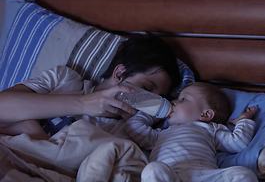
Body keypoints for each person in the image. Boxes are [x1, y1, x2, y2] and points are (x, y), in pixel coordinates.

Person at [125, 82, 259, 182]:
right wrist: (152, 111)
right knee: (153, 169)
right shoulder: (160, 134)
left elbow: (238, 142)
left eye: (183, 99)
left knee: (244, 175)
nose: (173, 102)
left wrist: (243, 121)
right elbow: (134, 127)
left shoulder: (211, 129)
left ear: (206, 114)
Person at [0, 34, 181, 140]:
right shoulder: (65, 79)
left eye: (159, 97)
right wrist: (83, 104)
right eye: (147, 88)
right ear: (119, 73)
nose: (151, 102)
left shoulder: (127, 132)